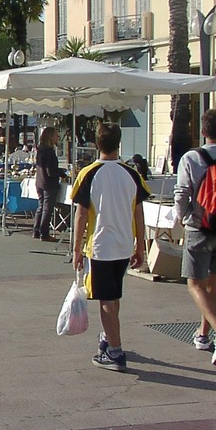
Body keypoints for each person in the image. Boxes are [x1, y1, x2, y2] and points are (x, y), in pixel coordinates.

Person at [72, 122, 149, 372]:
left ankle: (115, 352)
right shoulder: (132, 174)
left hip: (100, 245)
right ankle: (108, 337)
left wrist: (76, 249)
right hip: (123, 244)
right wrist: (140, 246)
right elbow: (138, 213)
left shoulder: (89, 173)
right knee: (114, 295)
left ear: (97, 143)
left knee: (105, 298)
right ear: (119, 143)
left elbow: (81, 215)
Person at [174, 108, 216, 366]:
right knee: (212, 285)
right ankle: (203, 335)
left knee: (195, 285)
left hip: (199, 228)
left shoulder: (192, 158)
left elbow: (182, 193)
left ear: (202, 131)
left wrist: (184, 217)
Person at [33, 127, 63, 242]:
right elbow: (51, 171)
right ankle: (44, 233)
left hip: (40, 181)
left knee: (41, 206)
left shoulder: (41, 150)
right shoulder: (49, 152)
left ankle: (36, 230)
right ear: (50, 137)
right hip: (48, 183)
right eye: (55, 135)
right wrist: (61, 173)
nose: (57, 137)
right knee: (47, 208)